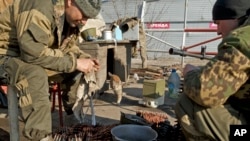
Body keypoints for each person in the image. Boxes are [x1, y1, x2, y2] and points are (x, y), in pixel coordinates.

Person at [0, 0, 101, 140]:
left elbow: (67, 47)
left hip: (28, 56)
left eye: (88, 18)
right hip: (6, 55)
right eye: (84, 15)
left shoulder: (69, 17)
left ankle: (74, 121)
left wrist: (83, 58)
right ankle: (40, 136)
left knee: (78, 70)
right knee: (35, 75)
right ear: (70, 2)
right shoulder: (41, 5)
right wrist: (75, 62)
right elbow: (33, 53)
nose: (84, 22)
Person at [175, 0, 250, 140]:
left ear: (235, 17)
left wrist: (190, 72)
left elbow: (204, 91)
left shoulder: (242, 39)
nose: (218, 31)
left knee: (188, 102)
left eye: (218, 22)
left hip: (243, 134)